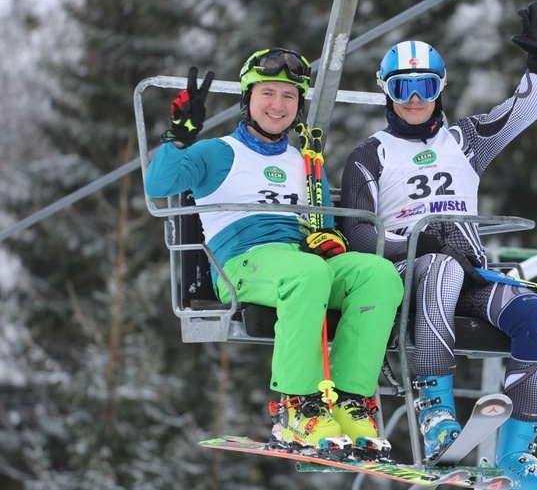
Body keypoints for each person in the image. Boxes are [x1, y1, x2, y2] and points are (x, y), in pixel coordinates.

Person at [340, 1, 537, 490]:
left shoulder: (463, 140)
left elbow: (525, 109)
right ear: (386, 91)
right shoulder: (370, 155)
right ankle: (435, 414)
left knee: (536, 315)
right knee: (442, 269)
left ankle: (516, 455)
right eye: (402, 87)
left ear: (439, 89)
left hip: (470, 275)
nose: (414, 98)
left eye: (424, 85)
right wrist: (420, 242)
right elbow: (359, 236)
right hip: (407, 278)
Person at [145, 48, 403, 449]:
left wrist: (329, 238)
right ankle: (299, 406)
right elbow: (158, 186)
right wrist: (178, 137)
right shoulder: (218, 152)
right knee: (307, 272)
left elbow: (323, 225)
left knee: (378, 274)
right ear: (247, 99)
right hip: (242, 261)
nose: (278, 105)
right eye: (267, 93)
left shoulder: (304, 160)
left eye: (289, 96)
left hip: (300, 262)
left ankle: (350, 401)